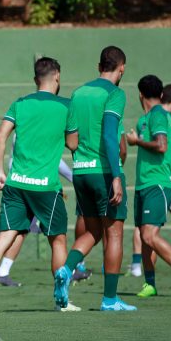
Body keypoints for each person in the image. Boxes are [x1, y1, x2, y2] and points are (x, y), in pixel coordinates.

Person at [0, 57, 78, 312]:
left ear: (34, 80)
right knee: (58, 240)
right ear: (58, 77)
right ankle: (61, 300)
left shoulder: (20, 103)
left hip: (16, 183)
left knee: (5, 236)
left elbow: (0, 136)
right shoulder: (66, 106)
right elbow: (73, 144)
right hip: (46, 186)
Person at [54, 46, 135, 311]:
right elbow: (111, 137)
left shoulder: (78, 93)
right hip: (104, 173)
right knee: (114, 235)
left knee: (92, 232)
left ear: (98, 65)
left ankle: (65, 270)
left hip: (81, 173)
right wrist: (115, 176)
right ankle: (110, 300)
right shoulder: (115, 93)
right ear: (121, 68)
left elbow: (71, 140)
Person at [126, 75, 171, 298]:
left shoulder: (157, 115)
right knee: (145, 235)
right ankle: (150, 284)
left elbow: (161, 145)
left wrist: (136, 142)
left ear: (140, 94)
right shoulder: (144, 119)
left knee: (149, 235)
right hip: (143, 184)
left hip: (158, 183)